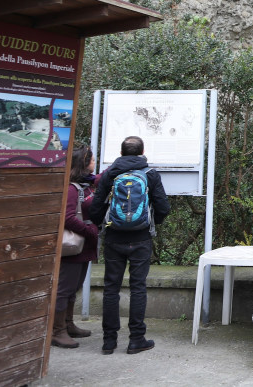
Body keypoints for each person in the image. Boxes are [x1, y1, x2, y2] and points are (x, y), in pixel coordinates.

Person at [88, 135, 170, 355]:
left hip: (114, 238)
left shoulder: (110, 174)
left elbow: (95, 207)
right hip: (141, 238)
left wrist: (103, 224)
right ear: (142, 152)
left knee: (111, 289)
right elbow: (163, 206)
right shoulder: (150, 174)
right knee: (138, 288)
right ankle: (136, 339)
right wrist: (150, 223)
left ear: (121, 152)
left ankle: (108, 341)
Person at [52, 146, 98, 349]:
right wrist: (89, 231)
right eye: (92, 160)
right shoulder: (72, 188)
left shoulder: (86, 184)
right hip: (74, 245)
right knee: (64, 288)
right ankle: (57, 330)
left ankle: (69, 324)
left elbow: (102, 178)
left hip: (84, 246)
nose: (94, 162)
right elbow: (68, 217)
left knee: (74, 287)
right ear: (83, 163)